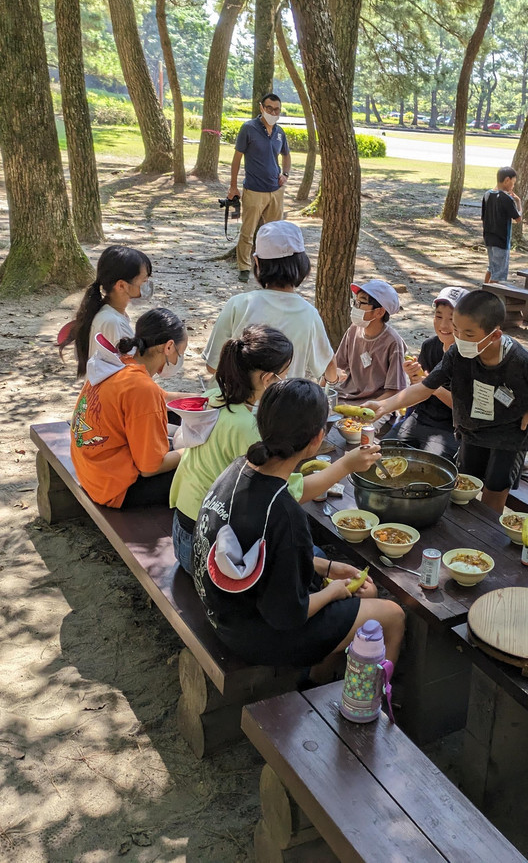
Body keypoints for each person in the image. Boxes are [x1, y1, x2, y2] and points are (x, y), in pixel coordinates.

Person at [190, 378, 405, 677]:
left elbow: (263, 555)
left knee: (354, 594)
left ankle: (319, 678)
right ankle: (369, 705)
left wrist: (327, 568)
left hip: (221, 606)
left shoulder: (239, 466)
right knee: (392, 615)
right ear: (317, 439)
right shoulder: (287, 516)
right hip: (250, 634)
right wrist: (336, 592)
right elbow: (289, 616)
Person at [172, 325, 381, 572]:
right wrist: (346, 465)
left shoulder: (215, 396)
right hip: (210, 550)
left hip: (183, 528)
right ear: (267, 378)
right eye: (285, 372)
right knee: (313, 554)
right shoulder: (248, 430)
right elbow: (283, 495)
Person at [366, 291, 528, 513]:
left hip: (508, 438)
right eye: (457, 330)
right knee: (463, 491)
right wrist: (383, 406)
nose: (459, 338)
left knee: (493, 498)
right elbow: (424, 388)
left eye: (469, 334)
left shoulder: (518, 360)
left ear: (495, 335)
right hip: (471, 432)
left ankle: (487, 544)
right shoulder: (456, 353)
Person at [70, 308, 186, 508]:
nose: (178, 360)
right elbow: (150, 468)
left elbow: (161, 398)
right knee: (206, 467)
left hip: (90, 471)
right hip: (116, 488)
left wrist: (205, 399)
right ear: (168, 347)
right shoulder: (142, 388)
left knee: (175, 416)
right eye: (179, 353)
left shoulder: (120, 363)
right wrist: (191, 452)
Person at [201, 221, 336, 383]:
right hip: (281, 405)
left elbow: (212, 366)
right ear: (303, 263)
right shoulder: (309, 313)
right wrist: (334, 381)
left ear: (257, 262)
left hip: (231, 404)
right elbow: (329, 367)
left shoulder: (238, 304)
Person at [389, 286, 468, 457]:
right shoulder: (429, 346)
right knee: (381, 455)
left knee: (429, 468)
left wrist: (431, 386)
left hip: (450, 430)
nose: (444, 325)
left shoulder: (470, 358)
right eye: (438, 316)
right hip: (419, 419)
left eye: (452, 318)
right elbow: (419, 393)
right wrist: (414, 377)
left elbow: (465, 409)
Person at [228, 93, 292, 282]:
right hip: (254, 190)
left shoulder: (280, 132)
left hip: (275, 191)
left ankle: (268, 268)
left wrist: (285, 175)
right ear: (261, 108)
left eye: (277, 109)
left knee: (273, 232)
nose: (273, 112)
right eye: (269, 108)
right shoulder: (248, 128)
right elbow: (237, 158)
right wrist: (233, 186)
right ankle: (243, 268)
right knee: (248, 232)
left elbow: (286, 156)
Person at [61, 246, 153, 377]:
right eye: (144, 281)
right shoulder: (112, 322)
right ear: (121, 286)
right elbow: (134, 372)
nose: (147, 285)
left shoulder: (105, 312)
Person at [330, 280, 410, 405]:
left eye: (361, 303)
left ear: (379, 312)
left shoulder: (393, 342)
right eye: (355, 302)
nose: (356, 307)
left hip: (377, 405)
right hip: (345, 397)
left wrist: (367, 408)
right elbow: (337, 366)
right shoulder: (353, 330)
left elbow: (395, 391)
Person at [481, 166, 522, 283]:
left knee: (492, 267)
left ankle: (484, 292)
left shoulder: (487, 194)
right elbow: (518, 218)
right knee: (499, 273)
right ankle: (493, 297)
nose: (513, 186)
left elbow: (483, 217)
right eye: (513, 183)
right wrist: (518, 202)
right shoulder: (506, 198)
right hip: (501, 239)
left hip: (488, 237)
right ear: (507, 180)